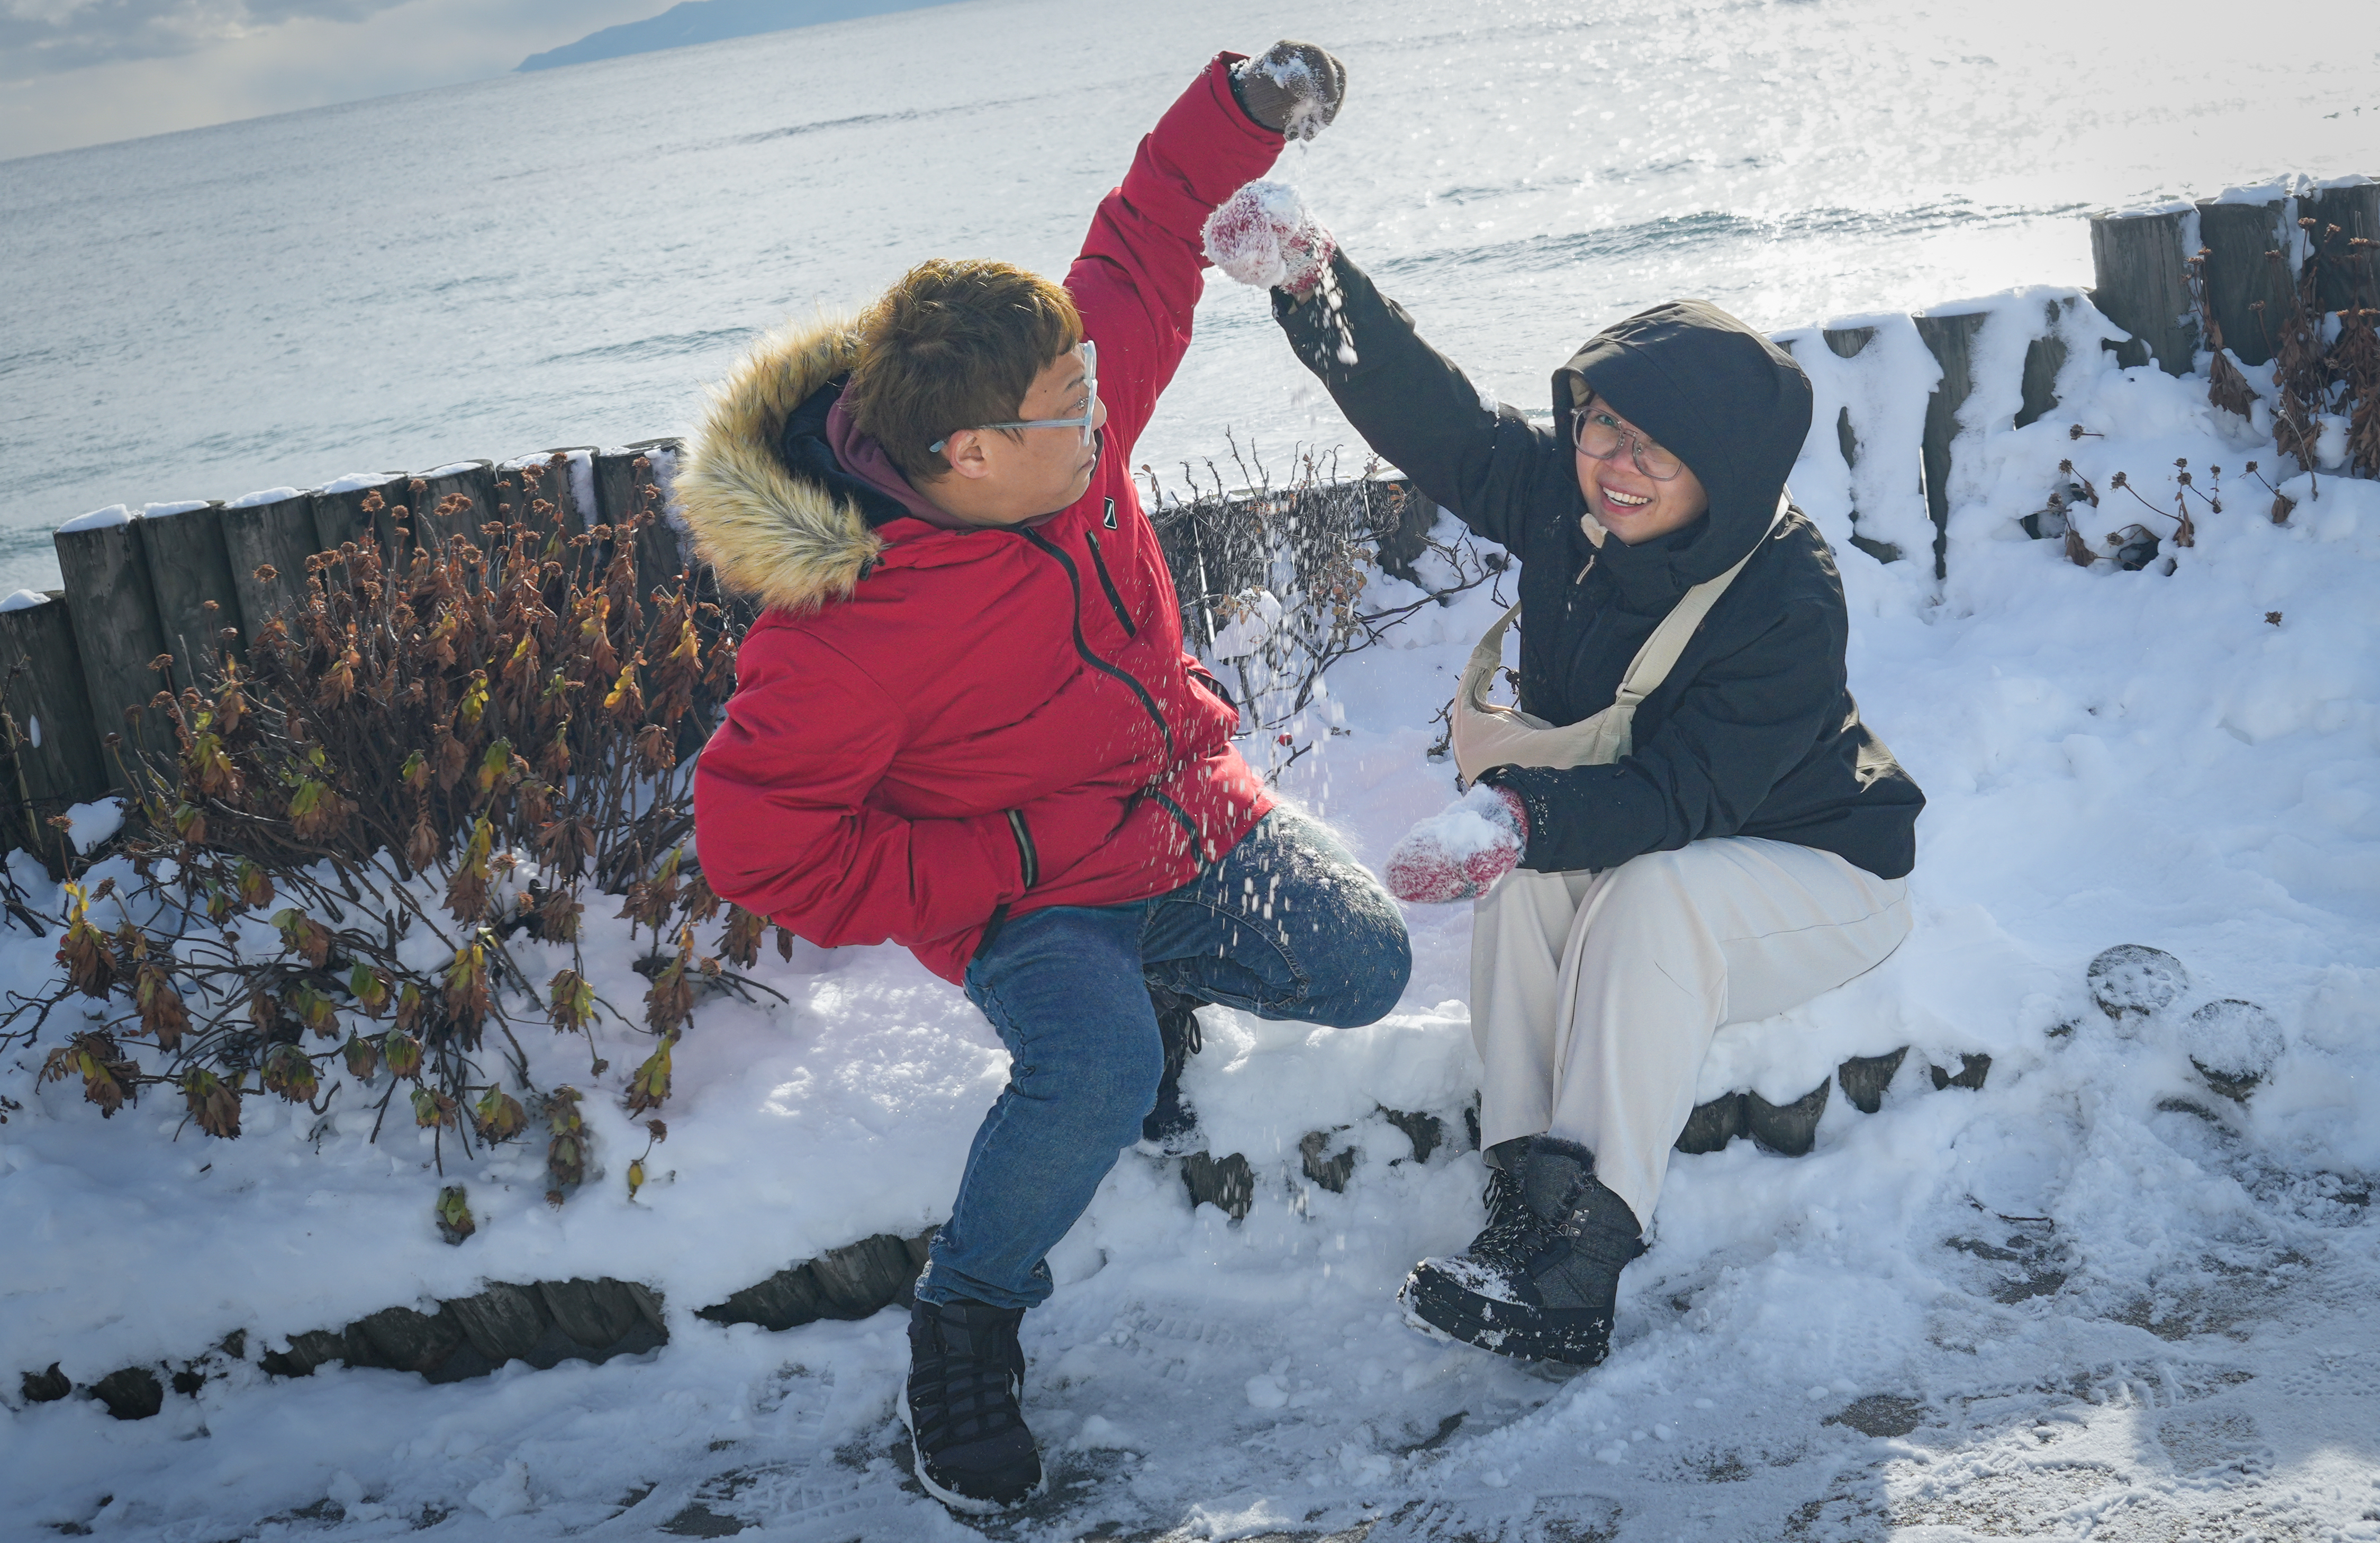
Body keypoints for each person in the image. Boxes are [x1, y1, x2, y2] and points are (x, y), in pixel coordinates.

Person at [679, 47, 1409, 1514]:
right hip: (1033, 895)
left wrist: (1248, 109)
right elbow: (759, 852)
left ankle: (1164, 975)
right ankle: (966, 1321)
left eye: (1089, 389)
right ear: (965, 451)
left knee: (1368, 961)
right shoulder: (838, 636)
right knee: (1099, 1071)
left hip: (1183, 811)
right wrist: (992, 862)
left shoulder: (1070, 428)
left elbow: (1142, 238)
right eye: (1066, 411)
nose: (1104, 421)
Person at [1202, 182, 1925, 1368]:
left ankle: (1583, 1260)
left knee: (1643, 890)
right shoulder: (1567, 503)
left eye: (1657, 448)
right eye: (1599, 426)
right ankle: (1521, 1214)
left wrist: (1515, 812)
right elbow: (1436, 423)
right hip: (1675, 845)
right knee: (1535, 885)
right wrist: (1309, 281)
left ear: (1730, 465)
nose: (1615, 466)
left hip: (1819, 870)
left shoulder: (1786, 595)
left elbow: (1681, 801)